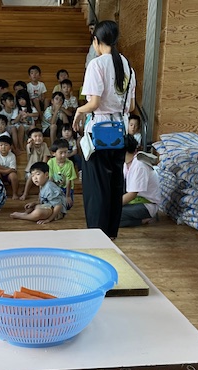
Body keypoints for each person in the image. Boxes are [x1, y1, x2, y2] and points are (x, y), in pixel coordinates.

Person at [73, 20, 136, 240]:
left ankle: (96, 236)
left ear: (96, 41)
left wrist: (79, 111)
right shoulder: (127, 66)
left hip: (99, 134)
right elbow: (131, 106)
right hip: (119, 132)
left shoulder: (96, 64)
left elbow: (94, 103)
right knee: (115, 184)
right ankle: (111, 234)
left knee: (96, 188)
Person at [120, 135, 161, 227]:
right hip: (134, 201)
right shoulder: (126, 163)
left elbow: (132, 194)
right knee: (106, 213)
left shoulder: (139, 165)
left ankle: (142, 220)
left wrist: (112, 205)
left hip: (146, 205)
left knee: (111, 216)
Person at [21, 127, 50, 200]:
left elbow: (45, 158)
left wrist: (42, 170)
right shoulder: (29, 145)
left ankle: (41, 195)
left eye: (40, 136)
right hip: (30, 170)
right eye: (35, 136)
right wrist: (30, 142)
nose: (38, 138)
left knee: (42, 177)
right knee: (32, 176)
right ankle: (25, 193)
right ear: (31, 138)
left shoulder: (44, 145)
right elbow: (29, 147)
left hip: (41, 168)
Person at [47, 139, 77, 208]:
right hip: (55, 187)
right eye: (61, 153)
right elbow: (50, 178)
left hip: (66, 188)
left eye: (65, 152)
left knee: (67, 206)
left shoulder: (70, 163)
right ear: (53, 153)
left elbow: (69, 181)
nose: (63, 155)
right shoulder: (50, 162)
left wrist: (68, 196)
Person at [0, 135, 19, 200]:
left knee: (13, 176)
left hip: (8, 176)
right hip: (0, 174)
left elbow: (13, 170)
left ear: (10, 147)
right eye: (1, 145)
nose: (3, 147)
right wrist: (7, 170)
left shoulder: (12, 155)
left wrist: (0, 167)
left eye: (6, 145)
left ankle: (15, 194)